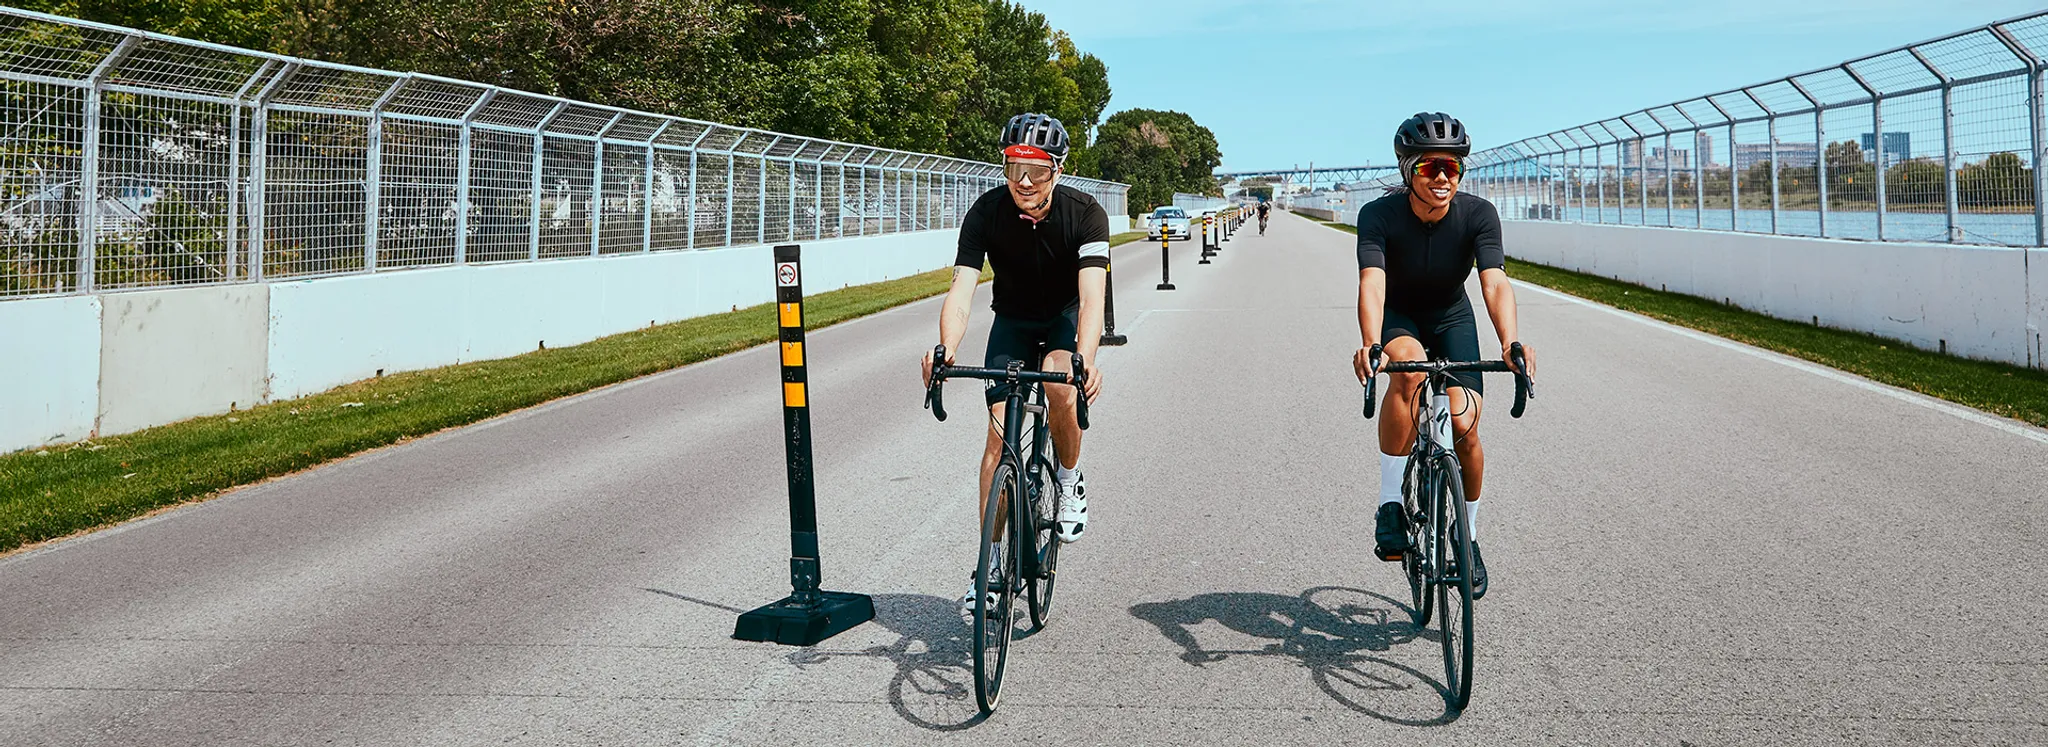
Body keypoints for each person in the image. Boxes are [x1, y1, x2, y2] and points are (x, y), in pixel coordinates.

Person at [922, 112, 1109, 612]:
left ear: (1058, 170)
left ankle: (1068, 479)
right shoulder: (986, 212)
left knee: (1060, 385)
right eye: (1013, 168)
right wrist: (945, 348)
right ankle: (989, 565)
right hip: (1012, 322)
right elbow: (962, 291)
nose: (1024, 182)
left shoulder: (1086, 213)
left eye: (1037, 171)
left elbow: (1092, 299)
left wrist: (1086, 360)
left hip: (1062, 319)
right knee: (997, 439)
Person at [1351, 112, 1536, 600]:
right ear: (1407, 170)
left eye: (1451, 168)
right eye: (1429, 167)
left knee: (1465, 428)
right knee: (1408, 374)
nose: (1441, 178)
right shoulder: (1378, 216)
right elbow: (1372, 282)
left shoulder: (1479, 215)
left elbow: (1494, 282)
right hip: (1400, 317)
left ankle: (1466, 534)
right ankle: (1391, 503)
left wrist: (1510, 342)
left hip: (1453, 318)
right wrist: (1371, 343)